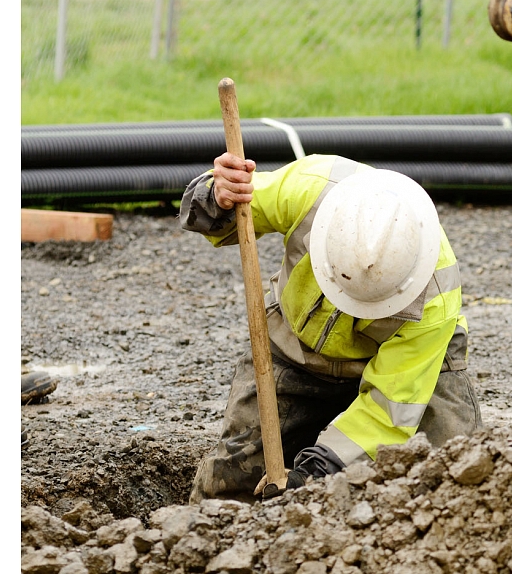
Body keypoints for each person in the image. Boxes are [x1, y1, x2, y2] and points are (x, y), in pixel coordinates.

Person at [179, 152, 481, 501]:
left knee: (452, 481)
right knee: (230, 486)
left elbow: (388, 414)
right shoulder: (312, 189)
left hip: (411, 372)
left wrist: (310, 477)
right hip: (296, 349)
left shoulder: (435, 299)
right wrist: (218, 197)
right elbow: (235, 211)